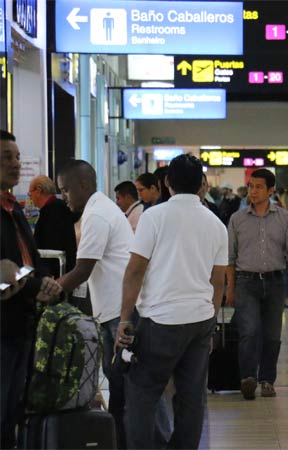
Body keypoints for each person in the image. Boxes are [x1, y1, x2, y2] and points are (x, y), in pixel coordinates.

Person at [116, 154, 227, 449]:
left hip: (159, 321)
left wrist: (125, 318)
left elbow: (135, 270)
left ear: (166, 183)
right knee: (191, 397)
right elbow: (219, 282)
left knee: (142, 395)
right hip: (200, 320)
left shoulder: (154, 216)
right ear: (202, 184)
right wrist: (210, 320)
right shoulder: (217, 224)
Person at [57, 160, 145, 449]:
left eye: (66, 190)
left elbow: (83, 269)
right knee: (120, 382)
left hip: (120, 311)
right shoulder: (101, 209)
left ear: (83, 186)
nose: (64, 197)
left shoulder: (97, 215)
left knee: (125, 385)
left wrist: (49, 291)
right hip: (114, 307)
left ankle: (131, 441)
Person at [1, 130, 62, 449]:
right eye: (6, 158)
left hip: (21, 323)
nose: (15, 164)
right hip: (4, 325)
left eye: (17, 157)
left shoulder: (13, 208)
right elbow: (6, 271)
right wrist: (35, 282)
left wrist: (43, 280)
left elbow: (25, 261)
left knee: (14, 409)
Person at [227, 169, 288, 399]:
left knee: (272, 334)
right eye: (251, 186)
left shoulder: (284, 218)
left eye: (259, 187)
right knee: (248, 331)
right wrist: (230, 288)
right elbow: (230, 257)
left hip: (275, 282)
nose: (253, 191)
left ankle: (267, 380)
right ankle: (248, 377)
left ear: (271, 191)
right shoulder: (237, 219)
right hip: (245, 281)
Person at [28, 175, 77, 273]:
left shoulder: (52, 212)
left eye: (30, 194)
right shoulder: (60, 207)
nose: (30, 198)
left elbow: (50, 245)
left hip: (57, 272)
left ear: (38, 190)